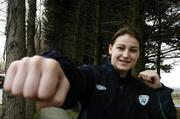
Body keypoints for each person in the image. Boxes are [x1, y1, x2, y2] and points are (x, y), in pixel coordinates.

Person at [4, 26, 177, 119]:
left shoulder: (142, 87)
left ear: (138, 55)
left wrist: (159, 89)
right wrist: (54, 64)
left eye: (133, 50)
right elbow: (72, 82)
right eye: (121, 48)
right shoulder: (93, 75)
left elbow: (166, 116)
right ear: (110, 49)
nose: (126, 55)